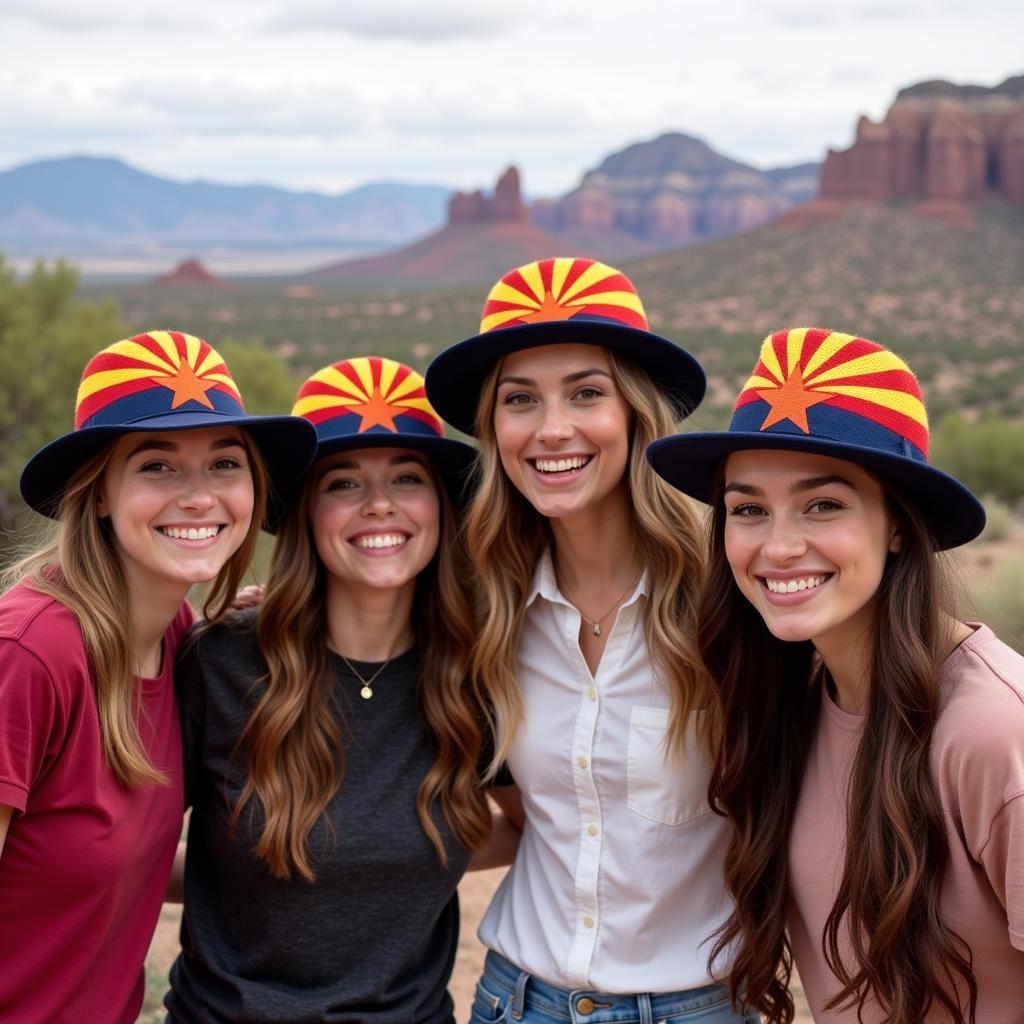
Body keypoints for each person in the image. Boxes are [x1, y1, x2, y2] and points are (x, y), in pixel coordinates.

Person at [647, 327, 1024, 1023]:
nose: (780, 546)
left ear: (899, 525)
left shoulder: (995, 732)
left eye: (823, 504)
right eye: (749, 509)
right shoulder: (797, 703)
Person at [425, 257, 757, 1023]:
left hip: (696, 1007)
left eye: (585, 393)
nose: (552, 429)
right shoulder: (484, 607)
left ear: (637, 412)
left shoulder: (731, 603)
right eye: (519, 400)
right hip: (513, 1001)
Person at [165, 355, 503, 1024]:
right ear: (306, 514)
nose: (380, 505)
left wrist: (383, 862)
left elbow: (532, 828)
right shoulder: (221, 662)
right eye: (343, 483)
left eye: (407, 478)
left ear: (441, 504)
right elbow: (134, 848)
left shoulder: (479, 671)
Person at [0, 330, 315, 1024]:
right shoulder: (31, 654)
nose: (199, 497)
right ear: (101, 494)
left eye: (223, 464)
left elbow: (121, 871)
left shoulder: (177, 638)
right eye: (157, 466)